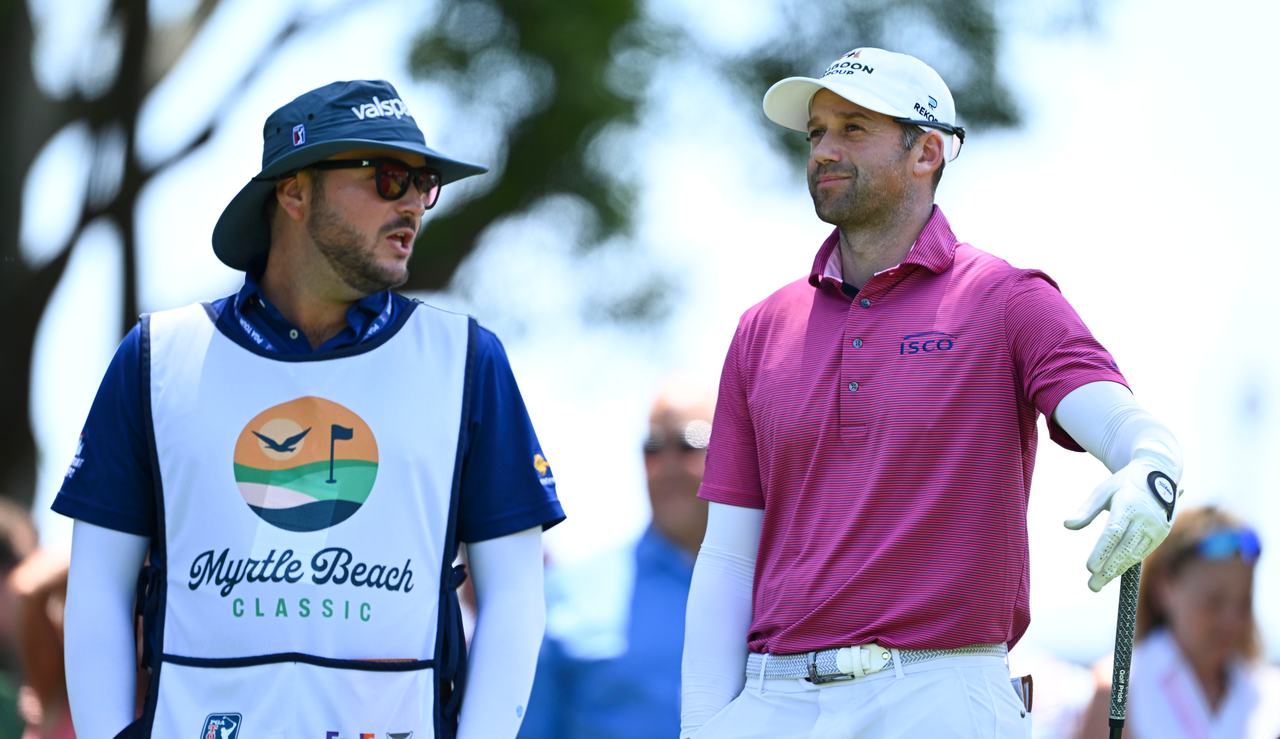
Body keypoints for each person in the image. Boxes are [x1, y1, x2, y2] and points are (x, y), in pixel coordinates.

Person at [679, 47, 1185, 739]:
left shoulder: (1006, 298)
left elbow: (1124, 424)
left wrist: (1152, 466)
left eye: (853, 129)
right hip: (775, 696)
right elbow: (730, 556)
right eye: (816, 132)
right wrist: (702, 723)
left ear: (927, 152)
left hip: (938, 694)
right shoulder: (762, 328)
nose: (824, 149)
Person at [52, 80, 564, 739]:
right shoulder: (156, 354)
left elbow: (516, 594)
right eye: (387, 177)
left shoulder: (469, 358)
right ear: (293, 191)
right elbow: (97, 588)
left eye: (424, 182)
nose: (413, 201)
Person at [519, 378, 714, 739]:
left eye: (690, 443)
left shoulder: (781, 593)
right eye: (652, 447)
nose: (669, 465)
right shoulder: (565, 594)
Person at [1075, 506, 1280, 739]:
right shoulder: (1118, 690)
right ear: (1164, 587)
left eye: (1244, 601)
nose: (1231, 620)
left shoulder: (1270, 693)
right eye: (1214, 601)